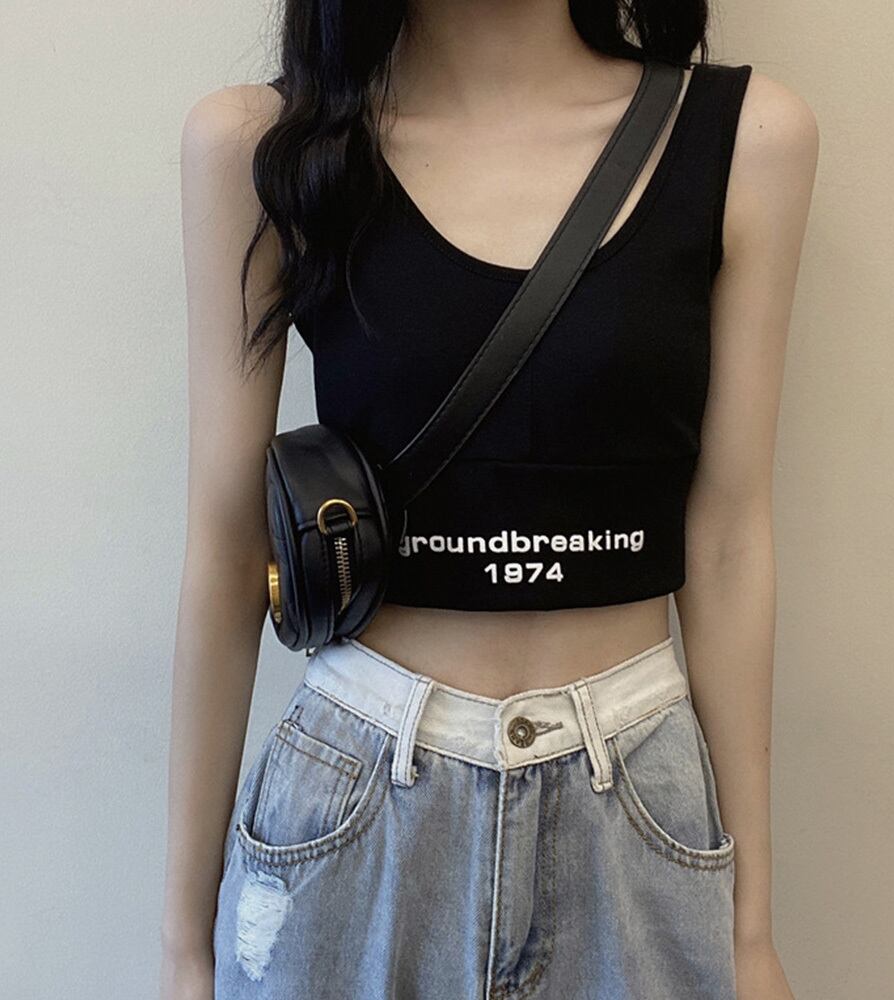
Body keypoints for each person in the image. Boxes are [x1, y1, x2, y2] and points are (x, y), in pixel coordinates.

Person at [160, 3, 818, 999]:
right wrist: (184, 949)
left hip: (635, 795)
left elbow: (725, 539)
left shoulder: (747, 139)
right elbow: (226, 547)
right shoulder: (260, 144)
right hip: (355, 804)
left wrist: (751, 925)